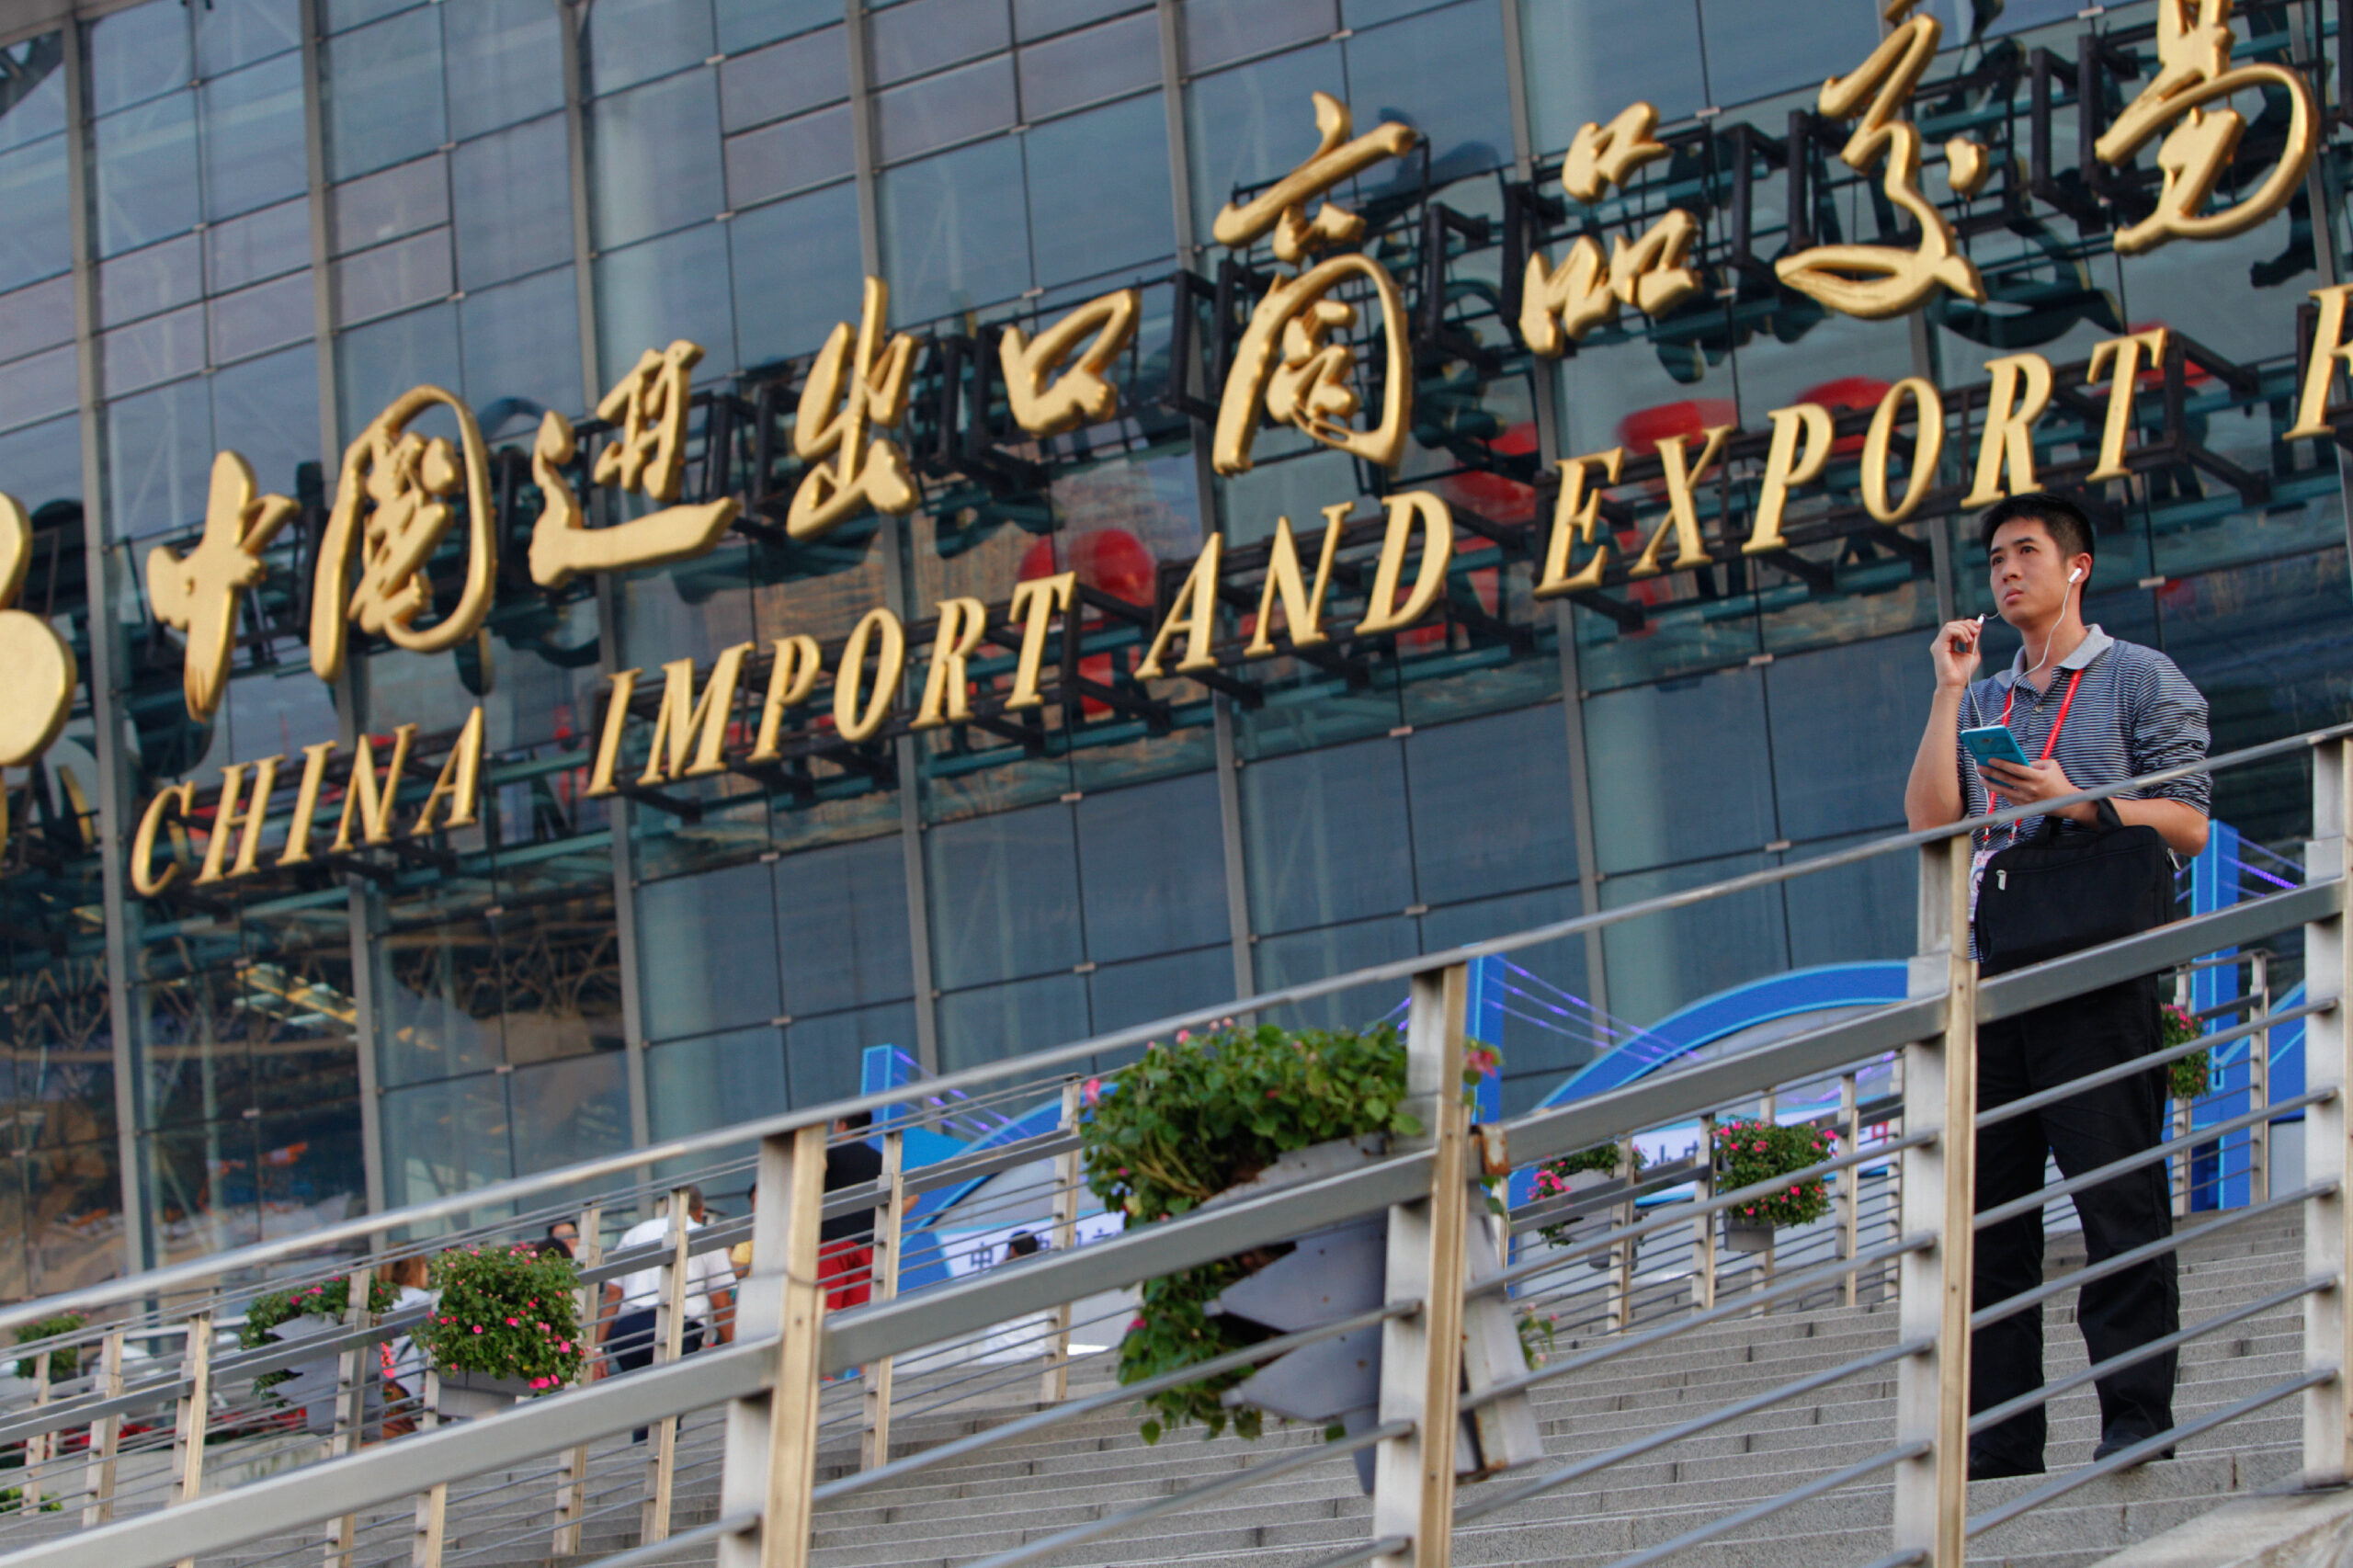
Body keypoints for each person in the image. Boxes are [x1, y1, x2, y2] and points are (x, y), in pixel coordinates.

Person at [1904, 491, 2211, 1480]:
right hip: (2000, 972)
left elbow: (2189, 822)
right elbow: (1929, 821)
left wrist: (2074, 801)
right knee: (1992, 1221)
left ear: (2076, 566)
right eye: (1995, 557)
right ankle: (2000, 1440)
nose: (2006, 570)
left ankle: (2135, 1412)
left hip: (2098, 968)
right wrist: (1950, 690)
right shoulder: (1989, 696)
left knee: (2116, 1199)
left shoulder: (2137, 677)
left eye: (2026, 551)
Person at [595, 1185, 734, 1438]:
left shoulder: (635, 1233)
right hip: (678, 1327)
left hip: (630, 1330)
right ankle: (662, 1461)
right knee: (670, 1406)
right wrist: (734, 1352)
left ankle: (645, 1457)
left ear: (667, 1208)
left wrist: (597, 1348)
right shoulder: (705, 1236)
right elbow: (721, 1301)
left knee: (644, 1407)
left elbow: (614, 1293)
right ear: (700, 1210)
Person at [821, 1113, 885, 1312]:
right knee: (856, 1316)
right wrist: (880, 1220)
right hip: (866, 1246)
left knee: (826, 1312)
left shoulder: (830, 1155)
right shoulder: (881, 1161)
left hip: (832, 1244)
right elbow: (912, 1198)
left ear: (843, 1125)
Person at [379, 1253, 436, 1438]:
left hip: (381, 1382)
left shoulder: (380, 1302)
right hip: (401, 1383)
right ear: (416, 1270)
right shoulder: (424, 1302)